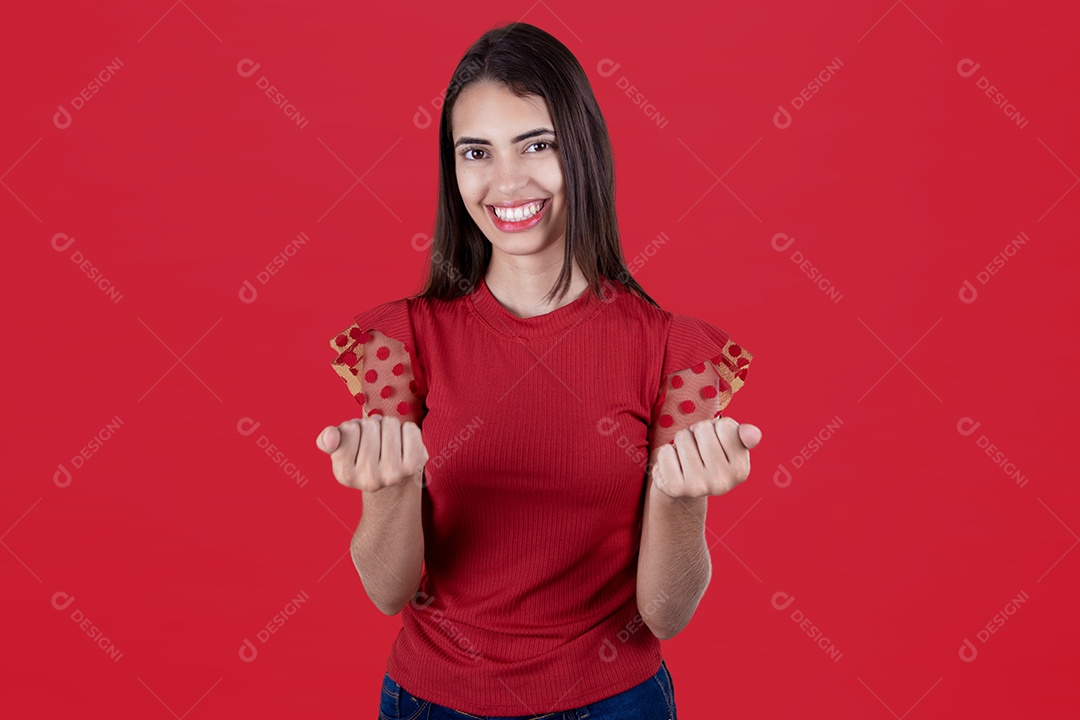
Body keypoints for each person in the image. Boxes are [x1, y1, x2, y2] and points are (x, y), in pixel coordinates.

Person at [316, 21, 760, 720]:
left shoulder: (672, 352)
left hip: (613, 701)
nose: (506, 181)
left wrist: (682, 501)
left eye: (538, 144)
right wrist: (391, 490)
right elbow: (387, 591)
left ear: (582, 151)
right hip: (436, 703)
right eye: (476, 152)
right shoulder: (402, 343)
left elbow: (666, 616)